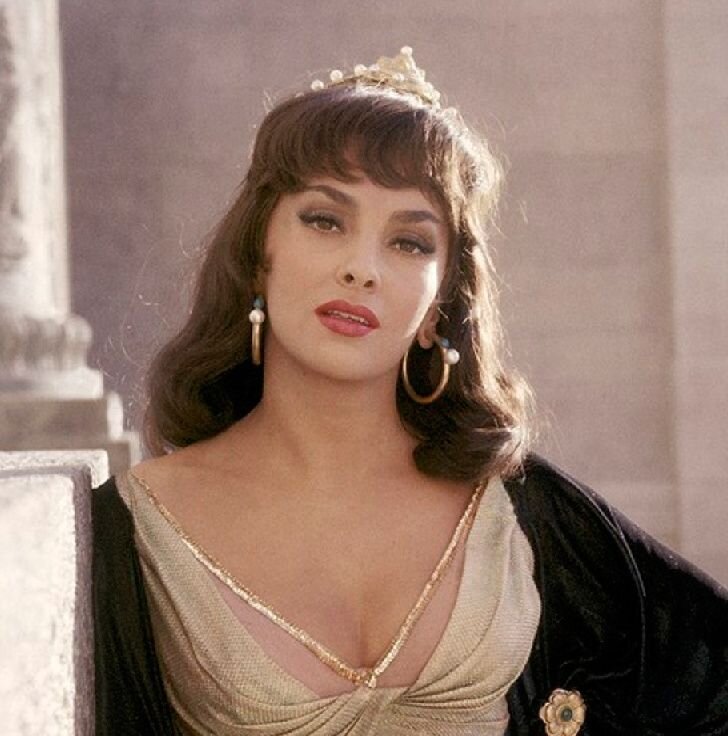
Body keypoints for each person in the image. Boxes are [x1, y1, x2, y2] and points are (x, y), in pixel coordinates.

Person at [92, 48, 728, 735]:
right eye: (325, 220)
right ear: (257, 256)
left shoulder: (523, 515)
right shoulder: (134, 528)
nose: (361, 268)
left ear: (438, 307)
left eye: (410, 243)